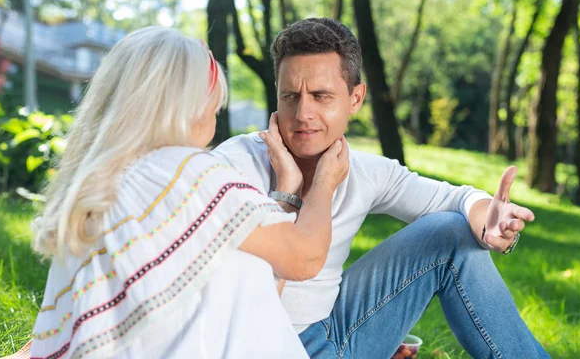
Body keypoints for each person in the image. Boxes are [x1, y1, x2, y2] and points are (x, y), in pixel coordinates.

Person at [212, 17, 551, 358]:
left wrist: (488, 220)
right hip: (255, 345)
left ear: (355, 98)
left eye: (320, 96)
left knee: (450, 232)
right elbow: (234, 306)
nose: (303, 113)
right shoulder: (234, 165)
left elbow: (456, 199)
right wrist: (289, 194)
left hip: (328, 334)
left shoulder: (366, 171)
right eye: (290, 96)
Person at [29, 26, 349, 359]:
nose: (214, 121)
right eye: (214, 110)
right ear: (189, 106)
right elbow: (304, 259)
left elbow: (247, 290)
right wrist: (326, 179)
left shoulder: (98, 187)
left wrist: (284, 190)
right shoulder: (186, 173)